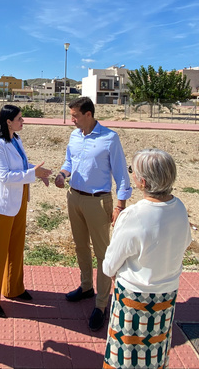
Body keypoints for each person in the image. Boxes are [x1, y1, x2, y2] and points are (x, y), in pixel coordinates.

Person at [102, 149, 192, 369]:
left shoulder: (134, 215)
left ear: (142, 182)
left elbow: (109, 265)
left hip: (134, 299)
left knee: (125, 358)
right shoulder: (179, 207)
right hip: (167, 295)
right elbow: (186, 242)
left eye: (132, 171)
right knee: (155, 356)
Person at [54, 96, 131, 331]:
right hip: (74, 197)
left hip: (99, 202)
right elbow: (70, 161)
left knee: (103, 254)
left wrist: (120, 206)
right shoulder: (75, 136)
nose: (72, 120)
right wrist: (62, 174)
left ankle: (101, 304)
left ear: (89, 114)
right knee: (80, 247)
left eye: (75, 116)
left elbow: (121, 175)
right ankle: (86, 286)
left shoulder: (110, 138)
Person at [0, 104, 52, 318]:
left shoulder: (16, 139)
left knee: (15, 247)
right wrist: (32, 174)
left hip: (18, 203)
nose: (23, 121)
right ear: (8, 121)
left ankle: (13, 288)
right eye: (19, 118)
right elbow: (4, 176)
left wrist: (38, 171)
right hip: (1, 206)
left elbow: (23, 164)